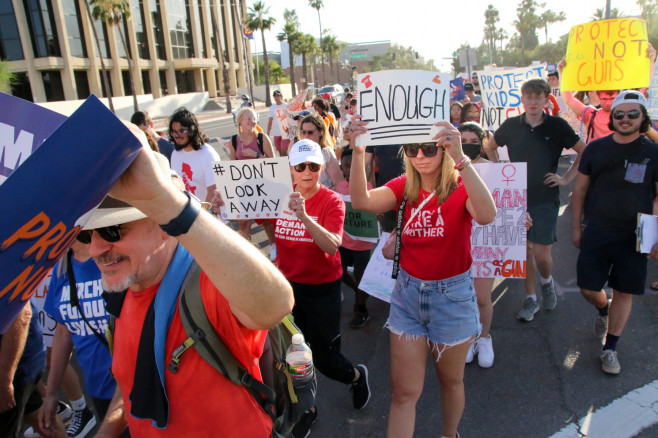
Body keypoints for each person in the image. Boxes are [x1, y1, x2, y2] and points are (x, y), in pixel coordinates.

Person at [89, 138, 293, 437]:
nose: (95, 248)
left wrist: (170, 203)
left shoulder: (208, 282)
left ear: (161, 223)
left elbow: (276, 305)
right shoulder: (122, 291)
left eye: (111, 230)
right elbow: (133, 378)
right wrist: (106, 431)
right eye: (86, 235)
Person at [348, 119, 496, 438]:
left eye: (429, 148)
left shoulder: (460, 184)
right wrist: (358, 152)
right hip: (408, 297)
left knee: (450, 382)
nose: (420, 156)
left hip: (452, 298)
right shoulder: (405, 185)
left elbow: (487, 215)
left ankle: (449, 434)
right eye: (412, 150)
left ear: (442, 149)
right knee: (403, 394)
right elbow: (362, 202)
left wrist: (461, 157)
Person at [226, 139, 371, 438]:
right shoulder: (277, 196)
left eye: (314, 166)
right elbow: (244, 220)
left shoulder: (330, 201)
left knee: (326, 359)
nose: (307, 172)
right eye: (300, 166)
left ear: (320, 167)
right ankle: (308, 409)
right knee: (292, 357)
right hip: (287, 289)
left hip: (323, 291)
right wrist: (225, 206)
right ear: (290, 169)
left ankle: (356, 376)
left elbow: (332, 245)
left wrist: (304, 216)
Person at [571, 91, 658, 375]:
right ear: (613, 117)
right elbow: (579, 190)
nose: (625, 119)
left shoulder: (653, 152)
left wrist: (656, 237)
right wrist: (576, 227)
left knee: (624, 291)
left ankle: (611, 348)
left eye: (633, 114)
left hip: (636, 235)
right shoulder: (595, 149)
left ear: (643, 117)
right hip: (597, 229)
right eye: (620, 114)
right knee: (587, 286)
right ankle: (602, 309)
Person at [484, 78, 586, 322]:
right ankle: (530, 298)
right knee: (524, 251)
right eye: (528, 96)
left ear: (545, 100)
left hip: (545, 197)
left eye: (537, 97)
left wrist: (565, 178)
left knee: (541, 253)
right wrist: (499, 173)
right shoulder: (511, 125)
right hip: (516, 196)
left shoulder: (557, 126)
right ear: (522, 99)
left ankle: (546, 281)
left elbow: (584, 150)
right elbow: (490, 147)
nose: (532, 101)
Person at [39, 241, 117, 438]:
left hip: (133, 387)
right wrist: (51, 393)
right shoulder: (62, 270)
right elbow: (63, 332)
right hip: (99, 387)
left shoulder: (113, 258)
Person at [0, 304, 64, 438]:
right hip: (16, 363)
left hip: (14, 360)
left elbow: (21, 314)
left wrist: (4, 381)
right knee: (34, 412)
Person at [335, 149, 374, 329]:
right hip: (344, 240)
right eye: (347, 165)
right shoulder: (339, 188)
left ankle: (360, 309)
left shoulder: (370, 188)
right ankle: (361, 292)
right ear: (342, 168)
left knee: (361, 275)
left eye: (354, 165)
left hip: (362, 243)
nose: (350, 169)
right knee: (341, 272)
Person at [229, 107, 276, 252]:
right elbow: (232, 164)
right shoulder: (234, 141)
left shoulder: (262, 138)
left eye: (254, 118)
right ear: (240, 121)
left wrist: (255, 155)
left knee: (266, 220)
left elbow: (273, 162)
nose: (252, 121)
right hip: (245, 186)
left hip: (263, 184)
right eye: (248, 118)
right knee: (243, 222)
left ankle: (272, 246)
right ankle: (248, 251)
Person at [169, 107, 220, 204]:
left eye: (181, 131)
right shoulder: (175, 154)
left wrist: (202, 214)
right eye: (174, 131)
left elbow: (214, 192)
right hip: (186, 214)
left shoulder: (208, 154)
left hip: (206, 214)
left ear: (192, 130)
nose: (177, 135)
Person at [298, 113, 344, 190]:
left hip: (325, 199)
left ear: (321, 132)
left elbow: (339, 184)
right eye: (303, 132)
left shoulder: (326, 153)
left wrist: (318, 196)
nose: (306, 136)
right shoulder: (299, 154)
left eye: (310, 132)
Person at [267, 90, 290, 157]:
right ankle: (283, 165)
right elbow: (270, 121)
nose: (276, 97)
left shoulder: (286, 106)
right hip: (276, 133)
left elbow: (290, 118)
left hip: (284, 131)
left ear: (281, 96)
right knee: (280, 152)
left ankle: (288, 164)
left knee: (284, 150)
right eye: (275, 96)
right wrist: (268, 133)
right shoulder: (272, 108)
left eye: (278, 95)